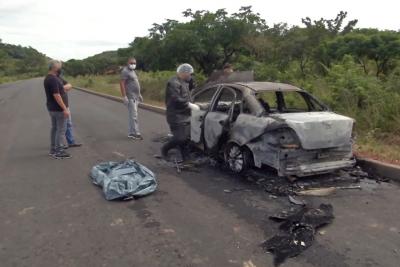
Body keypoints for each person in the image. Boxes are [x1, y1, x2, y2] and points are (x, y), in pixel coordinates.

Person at [161, 63, 199, 161]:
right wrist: (188, 104)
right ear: (183, 73)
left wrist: (192, 83)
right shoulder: (173, 83)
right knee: (180, 138)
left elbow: (191, 90)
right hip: (175, 115)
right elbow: (175, 98)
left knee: (185, 137)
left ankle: (186, 157)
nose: (191, 76)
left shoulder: (185, 81)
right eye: (190, 74)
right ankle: (165, 149)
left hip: (185, 114)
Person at [43, 60, 71, 159]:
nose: (60, 68)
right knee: (60, 130)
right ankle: (58, 151)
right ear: (54, 68)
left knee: (55, 129)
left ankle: (53, 149)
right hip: (58, 109)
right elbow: (57, 95)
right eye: (59, 66)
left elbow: (61, 90)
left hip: (52, 108)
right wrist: (65, 109)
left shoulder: (50, 78)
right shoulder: (53, 79)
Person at [119, 57, 144, 140]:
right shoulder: (125, 71)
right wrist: (124, 96)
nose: (133, 64)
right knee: (134, 116)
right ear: (128, 63)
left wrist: (139, 94)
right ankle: (135, 133)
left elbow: (135, 83)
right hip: (130, 96)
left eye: (134, 63)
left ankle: (131, 133)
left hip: (136, 96)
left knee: (132, 116)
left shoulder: (133, 71)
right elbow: (122, 83)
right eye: (131, 63)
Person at [57, 73, 82, 148]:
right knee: (61, 127)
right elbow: (56, 92)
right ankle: (59, 144)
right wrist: (63, 88)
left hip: (66, 106)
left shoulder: (60, 78)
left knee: (69, 124)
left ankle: (71, 142)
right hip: (59, 107)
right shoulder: (52, 79)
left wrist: (62, 88)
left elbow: (70, 85)